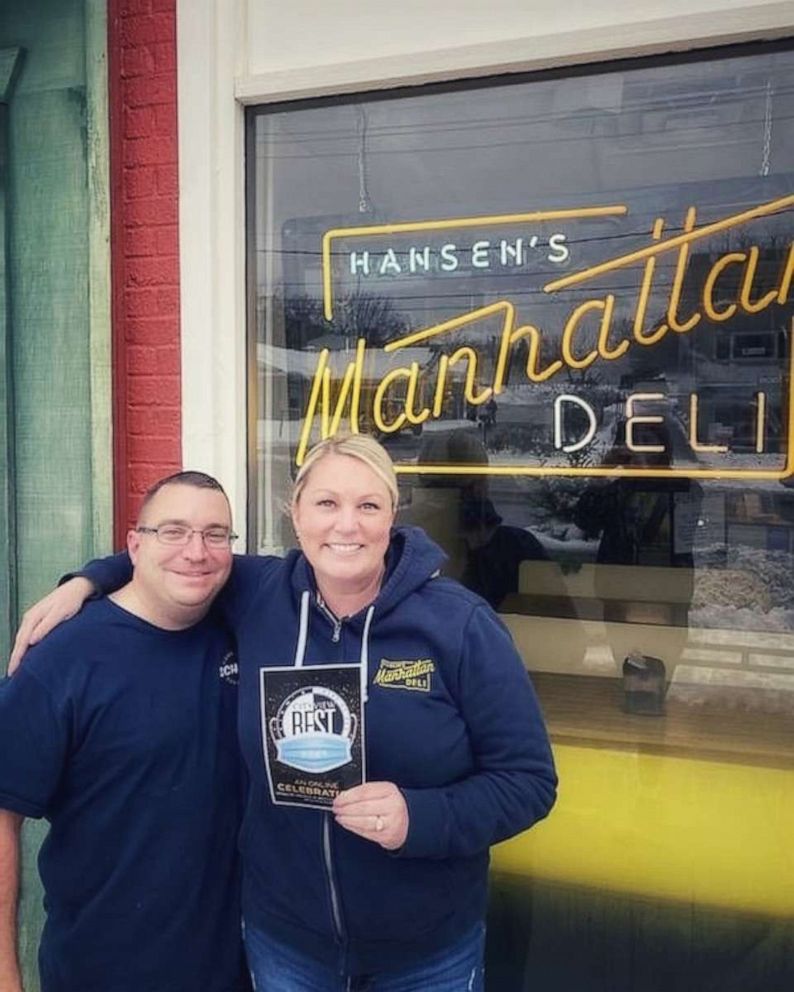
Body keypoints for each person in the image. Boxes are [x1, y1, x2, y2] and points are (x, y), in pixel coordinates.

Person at [11, 435, 557, 992]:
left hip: (424, 954)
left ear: (392, 516)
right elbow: (181, 551)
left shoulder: (460, 625)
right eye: (326, 503)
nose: (347, 524)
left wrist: (423, 818)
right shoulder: (260, 593)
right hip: (286, 949)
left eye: (368, 505)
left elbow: (530, 782)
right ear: (295, 515)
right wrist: (86, 581)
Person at [0, 471, 250, 992]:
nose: (196, 551)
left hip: (234, 972)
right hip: (101, 969)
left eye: (215, 534)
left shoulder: (245, 622)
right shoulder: (62, 660)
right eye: (173, 531)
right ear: (134, 545)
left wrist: (92, 576)